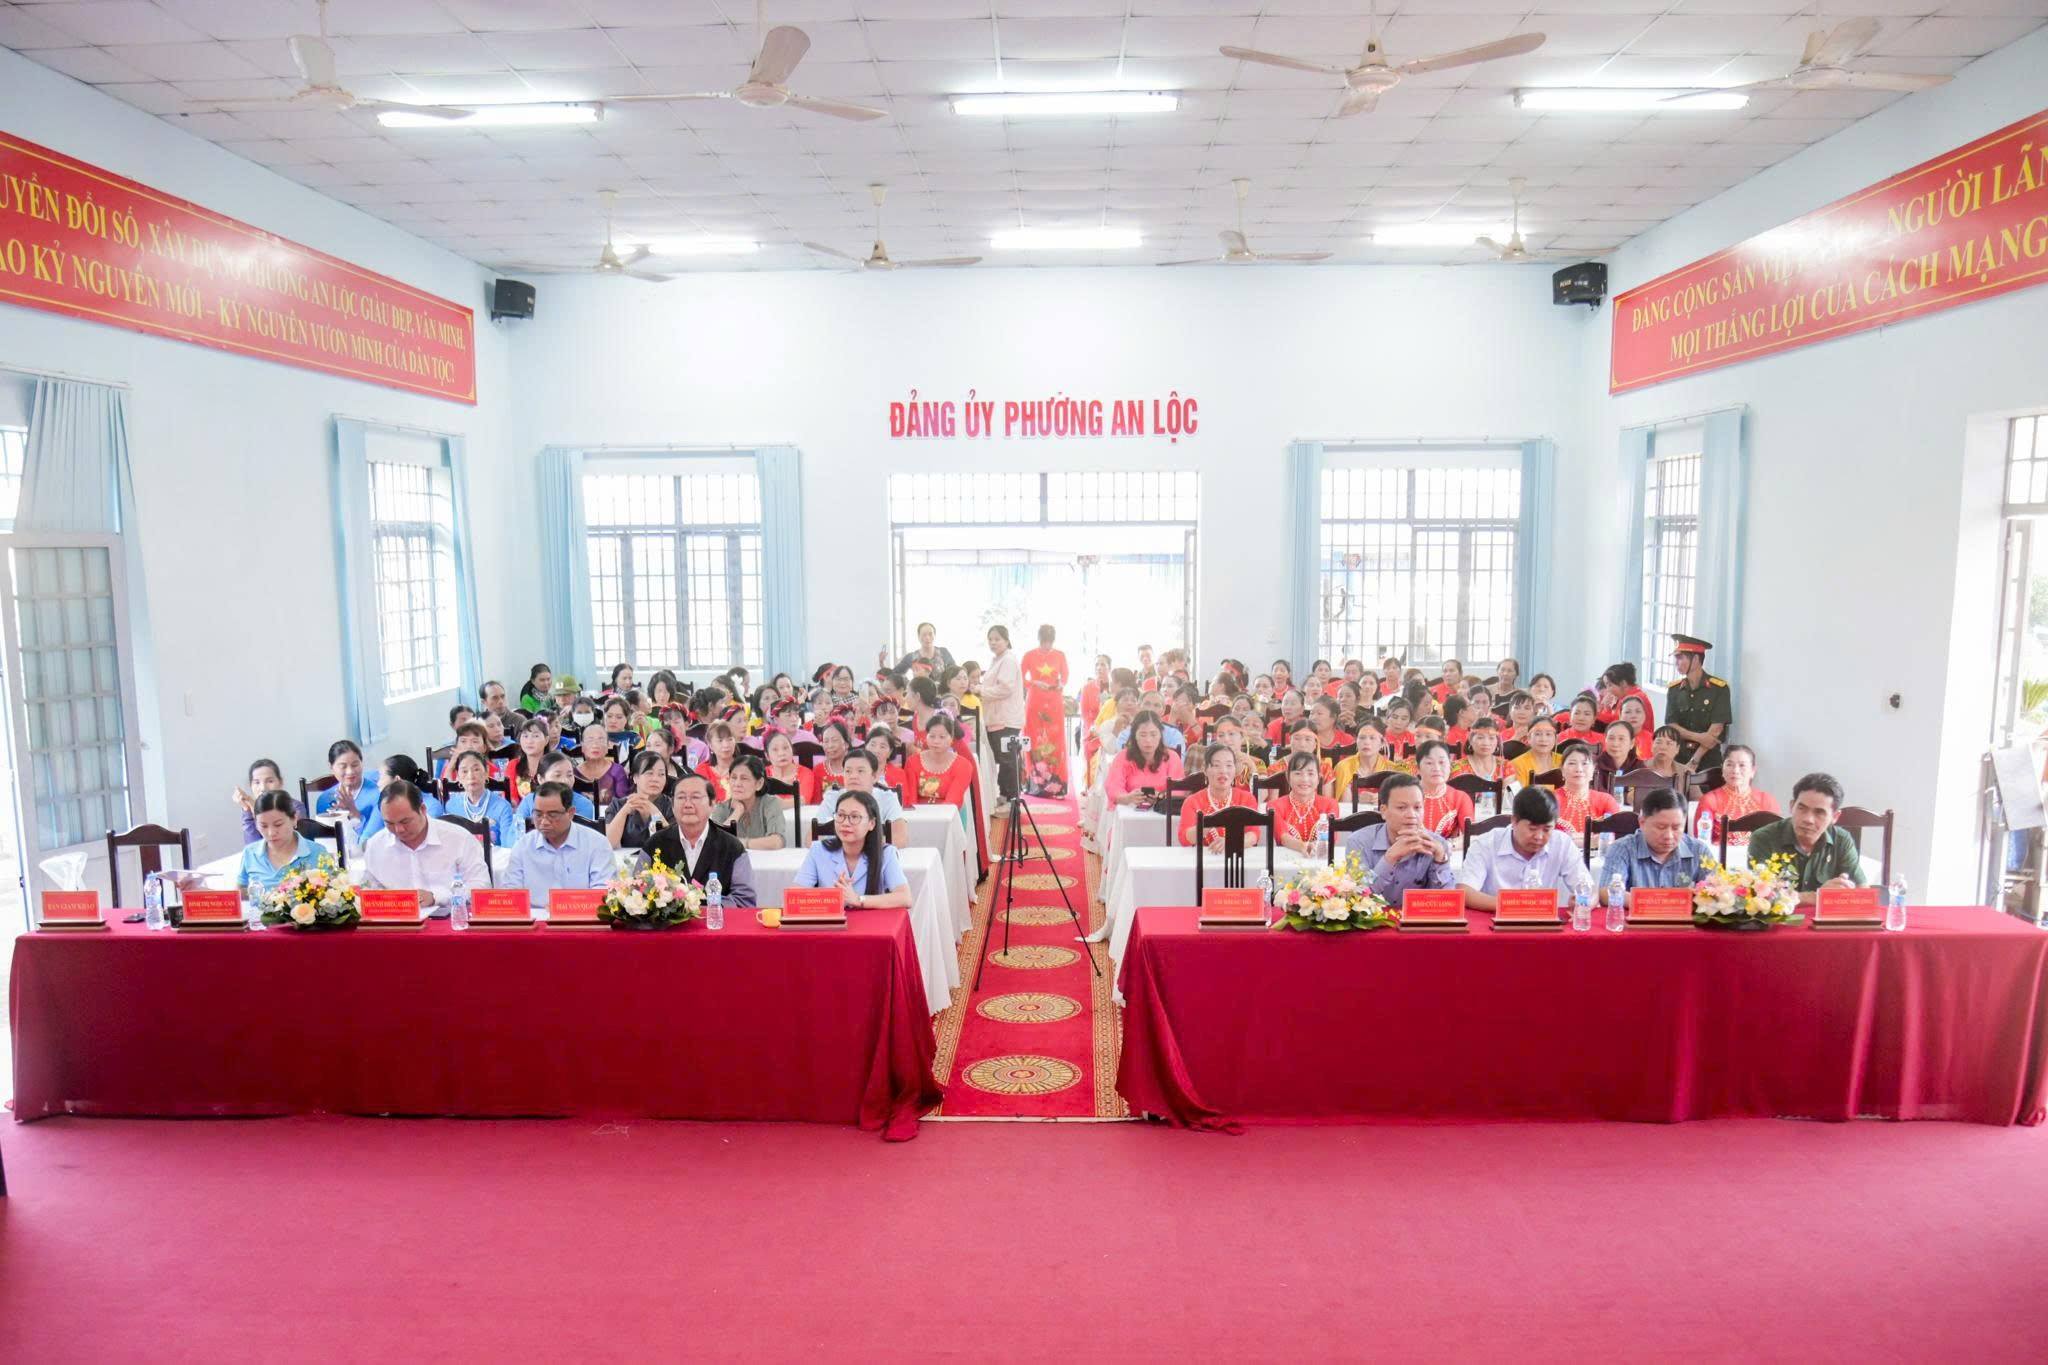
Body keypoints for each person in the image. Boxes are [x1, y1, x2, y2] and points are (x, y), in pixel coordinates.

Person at [360, 780, 491, 914]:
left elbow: (481, 887)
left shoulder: (459, 839)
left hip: (449, 920)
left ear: (422, 809)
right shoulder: (376, 845)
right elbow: (367, 889)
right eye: (390, 823)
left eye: (405, 821)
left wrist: (436, 897)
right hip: (396, 921)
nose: (399, 829)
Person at [1458, 786, 1591, 912]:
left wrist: (1584, 902)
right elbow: (1465, 892)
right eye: (1532, 828)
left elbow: (1589, 889)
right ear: (1514, 821)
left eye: (1547, 829)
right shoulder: (1486, 844)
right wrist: (1518, 906)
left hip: (1543, 924)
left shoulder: (1562, 843)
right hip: (1494, 921)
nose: (1539, 837)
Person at [1747, 772, 1869, 902]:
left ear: (1834, 817)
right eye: (1802, 809)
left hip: (1824, 915)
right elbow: (1761, 896)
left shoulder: (1841, 839)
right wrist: (1817, 896)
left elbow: (1862, 890)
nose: (1808, 819)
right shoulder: (1763, 838)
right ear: (1792, 806)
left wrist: (1847, 888)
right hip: (1780, 915)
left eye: (1819, 813)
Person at [644, 773, 757, 907]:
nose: (688, 804)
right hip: (668, 921)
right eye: (681, 797)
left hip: (716, 919)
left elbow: (745, 900)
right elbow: (637, 893)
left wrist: (699, 905)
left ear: (712, 804)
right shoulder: (654, 844)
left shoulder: (732, 847)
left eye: (696, 797)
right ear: (672, 805)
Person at [1342, 773, 1457, 901]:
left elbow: (1446, 902)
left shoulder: (1437, 845)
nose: (1411, 815)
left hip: (1416, 914)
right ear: (1383, 811)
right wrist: (1390, 858)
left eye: (1417, 807)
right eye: (1402, 807)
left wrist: (1440, 860)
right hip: (1375, 914)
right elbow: (1357, 896)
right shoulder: (1359, 842)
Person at [795, 790, 911, 910]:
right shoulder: (818, 850)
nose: (845, 823)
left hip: (872, 920)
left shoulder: (886, 853)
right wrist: (831, 897)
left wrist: (858, 899)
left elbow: (905, 898)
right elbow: (795, 897)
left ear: (871, 823)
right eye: (840, 815)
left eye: (854, 817)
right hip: (832, 920)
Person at [500, 782, 612, 894]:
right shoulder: (523, 846)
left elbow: (604, 892)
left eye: (552, 815)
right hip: (534, 906)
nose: (544, 822)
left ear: (570, 813)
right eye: (538, 815)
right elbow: (511, 892)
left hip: (582, 906)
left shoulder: (597, 844)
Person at [1600, 787, 1711, 898]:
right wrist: (1658, 903)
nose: (1669, 836)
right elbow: (1607, 893)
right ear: (1642, 822)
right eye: (1661, 827)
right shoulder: (1622, 848)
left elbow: (1716, 891)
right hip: (1637, 910)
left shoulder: (1699, 850)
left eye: (1676, 828)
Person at [236, 790, 327, 896]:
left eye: (278, 824)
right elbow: (240, 892)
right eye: (264, 826)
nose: (271, 833)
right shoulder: (250, 853)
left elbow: (332, 894)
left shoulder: (317, 853)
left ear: (294, 819)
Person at [1665, 633, 1732, 768]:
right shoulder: (1674, 689)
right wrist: (1700, 737)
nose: (1676, 662)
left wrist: (1694, 761)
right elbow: (1672, 726)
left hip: (1708, 760)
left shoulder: (1719, 689)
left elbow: (1716, 731)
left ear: (1695, 659)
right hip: (1679, 756)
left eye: (1680, 658)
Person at [1176, 743, 1260, 849]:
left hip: (1237, 856)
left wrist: (1232, 842)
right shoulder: (1192, 801)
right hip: (1204, 857)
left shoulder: (1246, 799)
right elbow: (1184, 839)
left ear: (1235, 770)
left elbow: (1253, 834)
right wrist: (1210, 822)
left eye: (1229, 765)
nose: (1223, 771)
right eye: (1216, 765)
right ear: (1205, 769)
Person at [818, 748, 909, 847]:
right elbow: (812, 838)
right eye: (848, 771)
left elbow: (900, 838)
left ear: (874, 776)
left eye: (860, 771)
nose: (853, 776)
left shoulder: (888, 799)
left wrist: (858, 848)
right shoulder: (832, 798)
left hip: (875, 855)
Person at [1020, 624, 1070, 798]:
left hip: (1054, 701)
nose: (1047, 645)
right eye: (1044, 641)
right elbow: (1020, 678)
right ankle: (1036, 783)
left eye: (1050, 642)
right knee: (1034, 738)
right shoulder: (1029, 655)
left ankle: (1057, 784)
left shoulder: (1060, 655)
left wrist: (1061, 684)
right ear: (1039, 639)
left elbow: (1065, 676)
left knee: (1056, 740)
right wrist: (1033, 683)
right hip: (1035, 701)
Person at [1694, 745, 1780, 846]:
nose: (1735, 770)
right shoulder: (1710, 800)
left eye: (1742, 765)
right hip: (1720, 854)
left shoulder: (1767, 800)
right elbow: (1701, 843)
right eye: (1729, 765)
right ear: (1723, 769)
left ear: (1752, 771)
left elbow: (1776, 838)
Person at [979, 624, 1026, 808]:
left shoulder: (1008, 660)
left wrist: (981, 691)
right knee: (1004, 759)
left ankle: (1012, 797)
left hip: (1006, 718)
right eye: (990, 639)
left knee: (1008, 759)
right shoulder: (997, 659)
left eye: (997, 639)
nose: (993, 642)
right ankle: (1006, 794)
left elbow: (1005, 688)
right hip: (997, 717)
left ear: (1006, 640)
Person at [1104, 713, 1183, 809]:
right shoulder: (1123, 757)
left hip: (1163, 812)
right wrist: (1127, 798)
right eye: (1143, 735)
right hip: (1129, 811)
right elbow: (1113, 786)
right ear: (1135, 736)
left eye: (1153, 734)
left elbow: (1179, 790)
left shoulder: (1172, 757)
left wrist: (1161, 798)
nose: (1148, 740)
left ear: (1160, 735)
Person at [442, 750, 518, 846]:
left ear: (486, 772)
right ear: (458, 777)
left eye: (476, 769)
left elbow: (507, 846)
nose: (471, 776)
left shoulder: (503, 807)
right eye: (464, 771)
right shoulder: (451, 806)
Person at [713, 751, 786, 850]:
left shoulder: (770, 803)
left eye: (744, 778)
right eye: (733, 778)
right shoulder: (721, 808)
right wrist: (738, 811)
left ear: (759, 784)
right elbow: (716, 842)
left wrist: (740, 843)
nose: (737, 784)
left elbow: (776, 842)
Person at [607, 750, 676, 852]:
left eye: (661, 774)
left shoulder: (673, 806)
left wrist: (654, 811)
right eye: (649, 773)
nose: (655, 779)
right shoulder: (617, 805)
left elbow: (672, 843)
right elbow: (609, 844)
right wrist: (624, 811)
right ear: (635, 778)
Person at [1272, 751, 1338, 855]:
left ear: (1318, 778)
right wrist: (1303, 846)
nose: (1304, 779)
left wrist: (1314, 849)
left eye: (1310, 774)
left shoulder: (1330, 804)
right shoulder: (1275, 806)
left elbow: (1331, 836)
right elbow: (1283, 836)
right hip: (1286, 860)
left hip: (1320, 859)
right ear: (1288, 777)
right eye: (1298, 773)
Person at [905, 713, 975, 808]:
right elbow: (911, 800)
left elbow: (953, 801)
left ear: (951, 738)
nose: (936, 741)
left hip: (950, 814)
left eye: (942, 737)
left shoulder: (963, 765)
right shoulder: (913, 762)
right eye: (932, 736)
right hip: (917, 813)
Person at [1552, 741, 1621, 835]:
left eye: (1584, 764)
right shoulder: (1550, 800)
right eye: (1572, 763)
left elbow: (1616, 834)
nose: (1579, 769)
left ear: (1593, 769)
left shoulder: (1606, 800)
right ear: (1562, 770)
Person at [512, 751, 596, 826]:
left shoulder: (584, 805)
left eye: (569, 775)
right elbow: (514, 833)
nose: (565, 780)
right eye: (557, 775)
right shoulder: (529, 801)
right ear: (541, 779)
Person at [1414, 739, 1475, 840]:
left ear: (1450, 766)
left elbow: (1470, 837)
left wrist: (1447, 846)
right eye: (1429, 763)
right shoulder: (1406, 796)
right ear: (1418, 769)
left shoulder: (1460, 798)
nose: (1436, 768)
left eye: (1442, 762)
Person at [231, 758, 299, 844]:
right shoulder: (249, 808)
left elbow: (287, 842)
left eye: (270, 781)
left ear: (280, 782)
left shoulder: (295, 806)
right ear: (250, 785)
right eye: (257, 782)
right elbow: (253, 845)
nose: (263, 788)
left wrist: (254, 808)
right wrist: (247, 809)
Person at [311, 740, 379, 824]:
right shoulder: (324, 799)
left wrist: (353, 812)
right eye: (343, 766)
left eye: (355, 765)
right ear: (331, 767)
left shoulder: (377, 795)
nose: (350, 772)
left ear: (362, 763)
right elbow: (322, 831)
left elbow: (375, 831)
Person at [573, 721, 629, 805]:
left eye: (601, 740)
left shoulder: (617, 771)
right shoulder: (572, 773)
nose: (595, 745)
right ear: (582, 747)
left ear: (607, 747)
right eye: (590, 740)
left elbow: (623, 803)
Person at [764, 730, 822, 807]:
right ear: (767, 756)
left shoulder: (805, 773)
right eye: (775, 749)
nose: (781, 753)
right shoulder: (762, 774)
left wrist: (777, 803)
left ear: (792, 750)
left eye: (785, 748)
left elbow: (803, 801)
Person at [505, 716, 554, 802]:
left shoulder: (554, 765)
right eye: (525, 736)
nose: (529, 741)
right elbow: (512, 799)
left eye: (535, 736)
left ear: (546, 740)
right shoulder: (514, 765)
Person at [1509, 716, 1563, 786]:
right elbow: (1520, 792)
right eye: (1538, 734)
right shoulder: (1517, 765)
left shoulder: (1563, 761)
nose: (1543, 739)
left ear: (1556, 738)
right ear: (1529, 738)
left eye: (1548, 734)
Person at [695, 720, 739, 802]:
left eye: (729, 739)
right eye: (720, 741)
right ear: (710, 745)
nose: (726, 745)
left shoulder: (744, 768)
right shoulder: (702, 770)